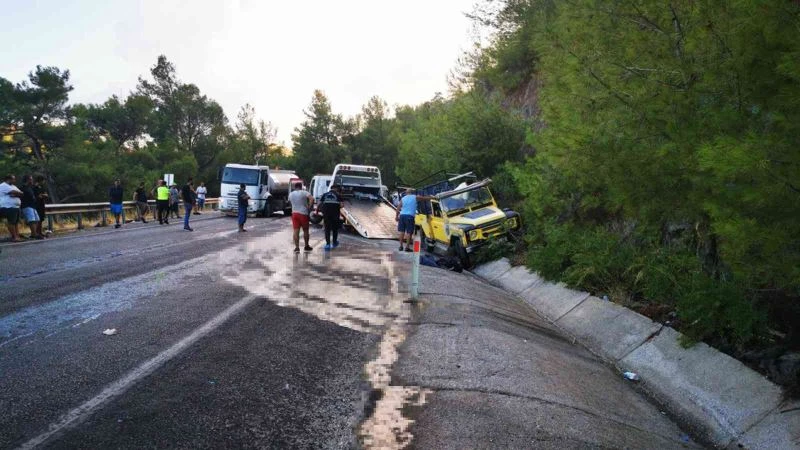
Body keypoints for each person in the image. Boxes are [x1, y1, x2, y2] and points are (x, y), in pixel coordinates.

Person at [288, 182, 314, 253]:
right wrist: (309, 206)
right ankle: (306, 246)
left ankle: (297, 248)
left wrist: (293, 207)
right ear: (301, 187)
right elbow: (312, 199)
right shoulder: (304, 192)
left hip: (294, 214)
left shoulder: (291, 194)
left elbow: (290, 203)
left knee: (296, 231)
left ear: (295, 187)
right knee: (305, 230)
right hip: (303, 213)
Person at [0, 174, 23, 242]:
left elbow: (21, 193)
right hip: (8, 207)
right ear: (8, 179)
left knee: (15, 222)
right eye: (13, 179)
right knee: (11, 222)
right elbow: (14, 192)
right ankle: (14, 237)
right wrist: (17, 193)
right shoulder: (3, 185)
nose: (14, 180)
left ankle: (17, 236)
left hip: (16, 207)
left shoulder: (13, 186)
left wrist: (18, 193)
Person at [320, 185, 343, 251]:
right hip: (335, 215)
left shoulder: (324, 195)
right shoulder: (338, 195)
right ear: (336, 188)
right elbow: (342, 205)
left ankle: (327, 244)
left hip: (326, 215)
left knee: (327, 229)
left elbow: (320, 204)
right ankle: (334, 242)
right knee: (335, 229)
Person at [19, 175, 42, 239]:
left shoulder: (30, 188)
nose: (32, 181)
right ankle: (35, 234)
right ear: (28, 180)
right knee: (31, 220)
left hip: (33, 206)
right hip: (26, 206)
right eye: (31, 179)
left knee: (37, 219)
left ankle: (33, 234)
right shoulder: (22, 188)